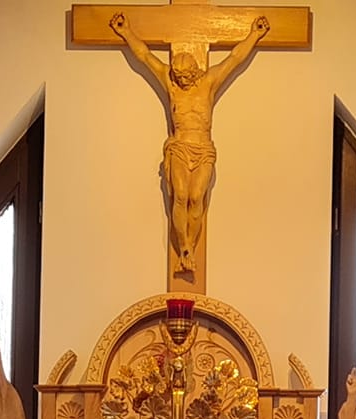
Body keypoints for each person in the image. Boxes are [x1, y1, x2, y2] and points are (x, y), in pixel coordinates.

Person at [110, 12, 270, 273]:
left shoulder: (208, 82)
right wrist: (126, 31)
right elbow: (145, 57)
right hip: (179, 147)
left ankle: (190, 249)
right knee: (180, 196)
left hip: (204, 149)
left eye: (186, 76)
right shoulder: (171, 83)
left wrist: (254, 34)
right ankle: (184, 247)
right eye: (179, 76)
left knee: (196, 198)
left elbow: (234, 59)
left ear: (195, 72)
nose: (182, 81)